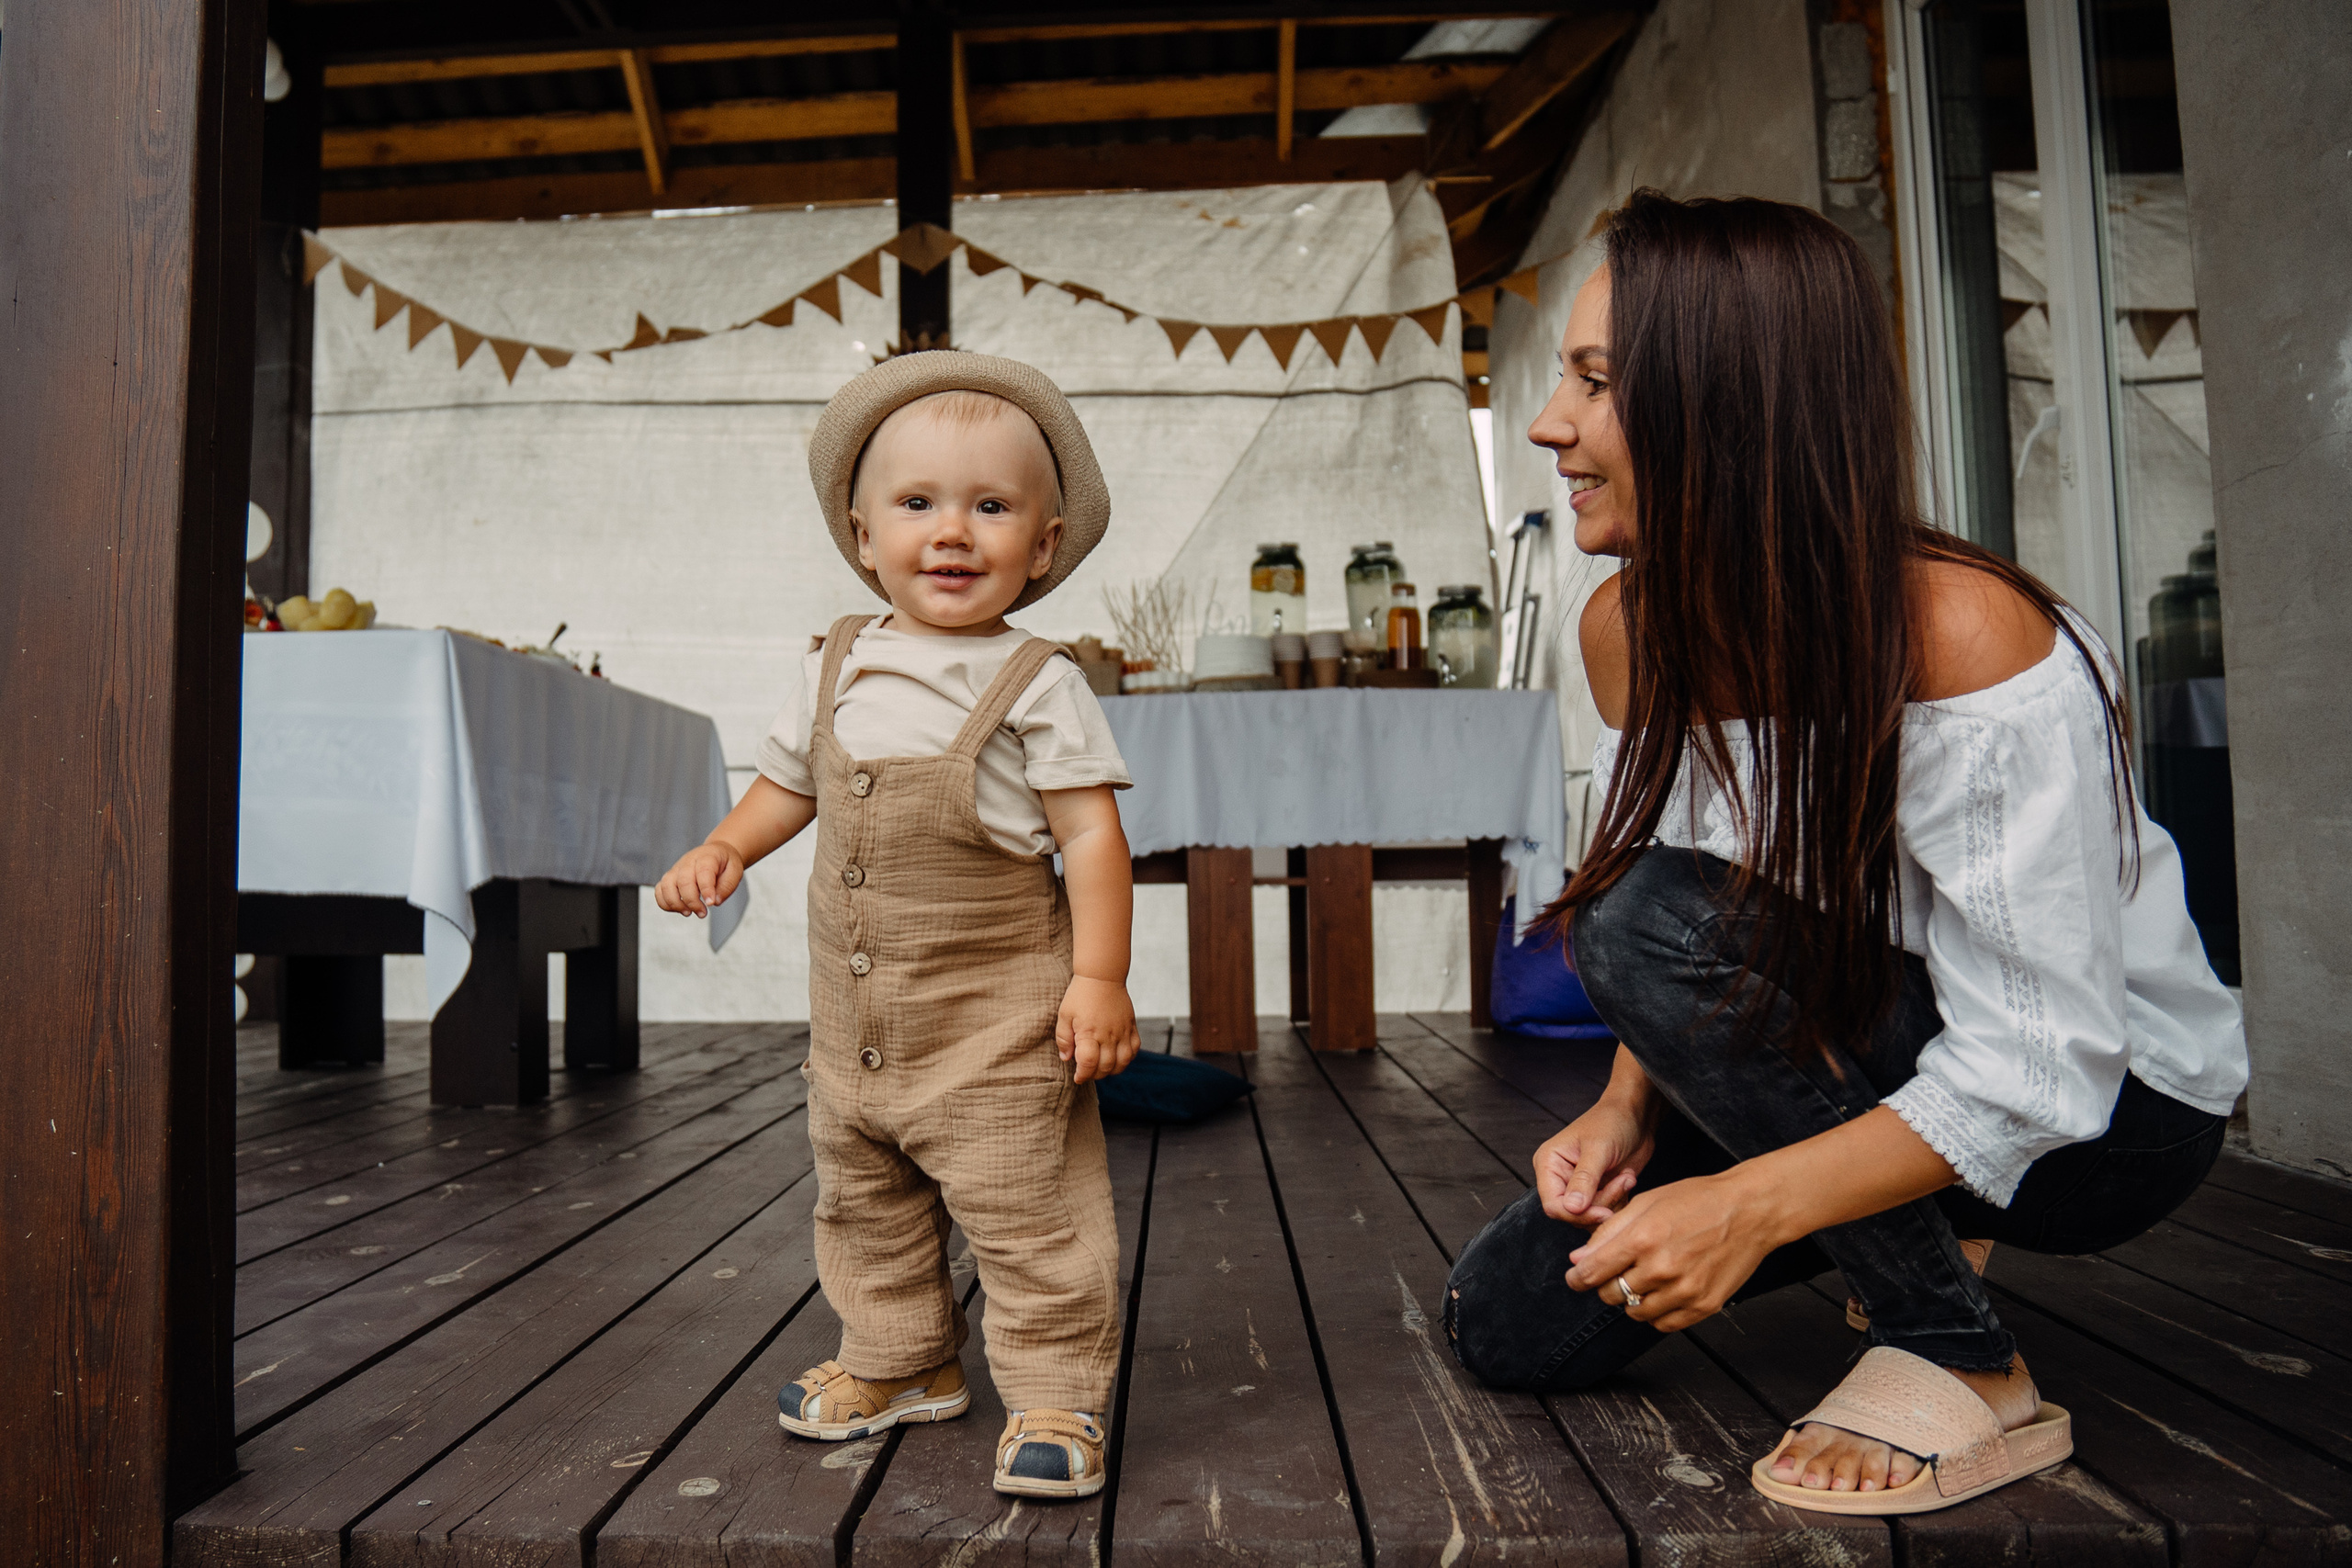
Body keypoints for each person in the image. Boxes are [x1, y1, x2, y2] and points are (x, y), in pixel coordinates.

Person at [1442, 191, 2245, 1516]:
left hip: (2109, 1119)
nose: (1546, 424)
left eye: (1594, 381)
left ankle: (1957, 1348)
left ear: (1727, 403)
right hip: (1854, 1044)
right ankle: (1913, 1224)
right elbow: (1701, 887)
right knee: (1509, 1320)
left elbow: (2043, 1064)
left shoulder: (1967, 633)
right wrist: (1629, 1104)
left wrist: (1751, 1203)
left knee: (1631, 918)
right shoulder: (1626, 626)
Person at [653, 352, 1142, 1501]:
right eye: (917, 503)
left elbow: (1091, 837)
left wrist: (1101, 978)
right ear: (863, 535)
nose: (952, 532)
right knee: (863, 1200)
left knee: (1024, 1209)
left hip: (996, 1023)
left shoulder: (1037, 681)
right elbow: (790, 785)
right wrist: (726, 846)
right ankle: (903, 1356)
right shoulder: (835, 661)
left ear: (1044, 543)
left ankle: (1055, 1390)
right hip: (859, 1027)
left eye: (992, 507)